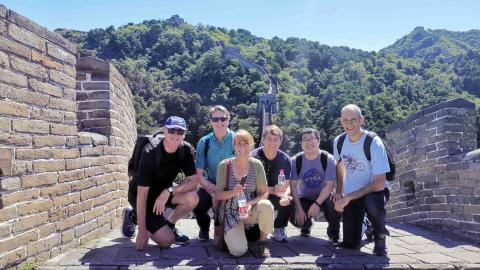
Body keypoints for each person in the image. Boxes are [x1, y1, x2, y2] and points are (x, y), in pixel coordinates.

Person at [121, 116, 199, 250]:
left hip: (163, 193)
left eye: (180, 131)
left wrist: (169, 191)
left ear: (184, 134)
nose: (175, 135)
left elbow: (193, 183)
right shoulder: (150, 151)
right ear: (164, 130)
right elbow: (142, 192)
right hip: (142, 195)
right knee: (166, 241)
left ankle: (170, 225)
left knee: (193, 198)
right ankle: (133, 216)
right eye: (171, 130)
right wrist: (142, 231)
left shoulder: (185, 150)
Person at [333, 104, 391, 256]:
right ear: (341, 121)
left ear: (362, 120)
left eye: (353, 120)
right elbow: (339, 166)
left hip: (375, 193)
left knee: (372, 204)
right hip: (352, 193)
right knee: (350, 244)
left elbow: (379, 183)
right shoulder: (339, 141)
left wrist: (348, 197)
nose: (349, 124)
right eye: (345, 120)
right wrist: (339, 191)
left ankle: (380, 238)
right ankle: (367, 224)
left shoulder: (373, 142)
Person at [216, 129, 274, 257]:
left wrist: (249, 204)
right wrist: (233, 192)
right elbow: (218, 195)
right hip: (230, 212)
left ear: (251, 145)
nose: (242, 147)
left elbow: (264, 193)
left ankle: (263, 242)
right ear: (234, 146)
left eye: (246, 143)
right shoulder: (224, 166)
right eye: (238, 143)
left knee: (266, 205)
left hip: (250, 210)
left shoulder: (257, 165)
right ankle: (238, 235)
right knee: (238, 251)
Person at [290, 128, 341, 243]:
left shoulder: (327, 159)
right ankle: (306, 225)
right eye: (305, 139)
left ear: (318, 141)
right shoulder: (295, 160)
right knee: (293, 215)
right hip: (304, 198)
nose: (309, 142)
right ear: (301, 144)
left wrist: (317, 204)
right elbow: (292, 186)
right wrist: (298, 209)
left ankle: (334, 233)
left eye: (312, 138)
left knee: (334, 202)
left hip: (324, 198)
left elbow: (330, 185)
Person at [193, 105, 235, 242]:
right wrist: (213, 192)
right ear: (210, 121)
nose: (219, 122)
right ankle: (204, 228)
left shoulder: (237, 140)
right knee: (198, 203)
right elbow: (199, 174)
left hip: (232, 185)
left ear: (228, 120)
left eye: (223, 118)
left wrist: (225, 193)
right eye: (215, 119)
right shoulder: (204, 143)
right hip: (210, 183)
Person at [251, 125, 293, 242]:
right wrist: (272, 190)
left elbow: (287, 183)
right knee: (253, 236)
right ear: (263, 140)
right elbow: (251, 184)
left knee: (290, 197)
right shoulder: (253, 157)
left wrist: (285, 194)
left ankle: (279, 227)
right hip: (257, 194)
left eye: (276, 139)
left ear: (280, 141)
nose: (272, 142)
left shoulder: (285, 159)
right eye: (269, 139)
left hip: (276, 194)